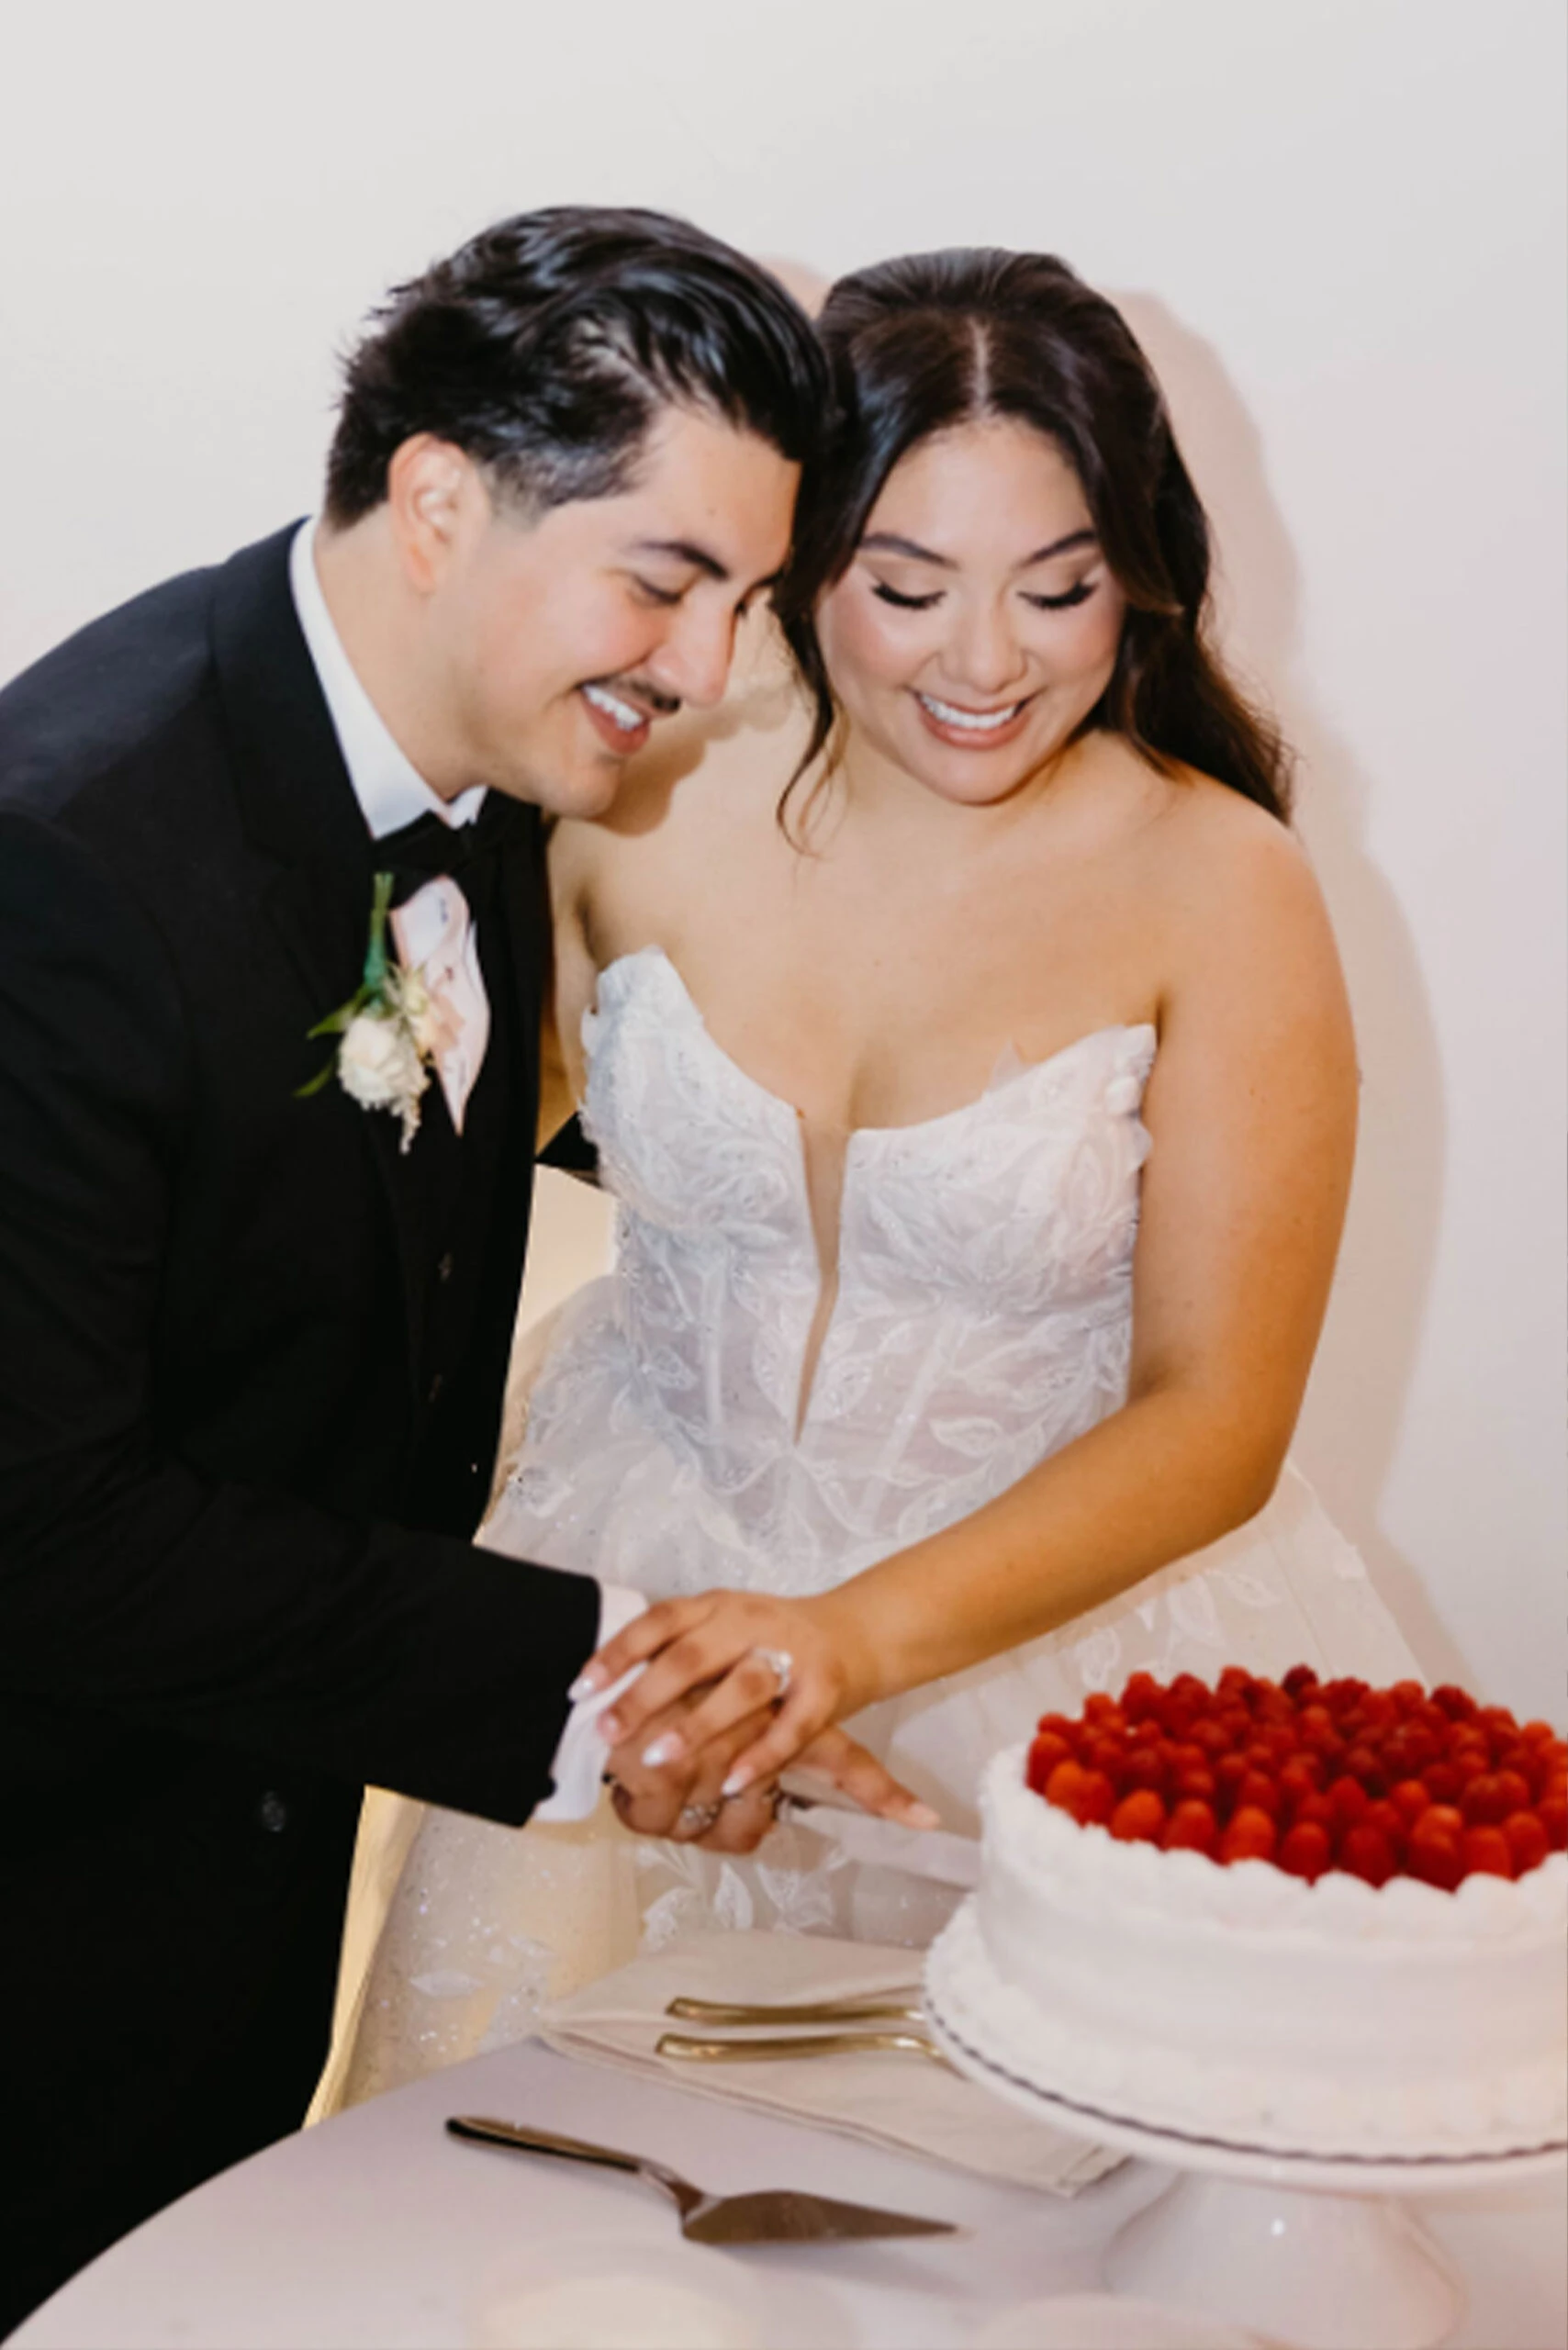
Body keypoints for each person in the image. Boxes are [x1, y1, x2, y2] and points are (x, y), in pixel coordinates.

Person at [328, 244, 1420, 2105]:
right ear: (799, 555)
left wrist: (843, 1642)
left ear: (1140, 571)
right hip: (635, 1619)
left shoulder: (1219, 883)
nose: (985, 662)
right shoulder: (633, 788)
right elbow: (415, 1180)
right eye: (906, 588)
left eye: (1058, 587)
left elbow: (1217, 1410)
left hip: (1050, 1660)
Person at [0, 205, 927, 2332]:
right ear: (438, 502)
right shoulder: (61, 867)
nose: (708, 667)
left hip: (226, 1850)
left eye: (744, 598)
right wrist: (595, 1683)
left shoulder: (489, 763)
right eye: (664, 579)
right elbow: (37, 1518)